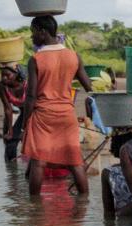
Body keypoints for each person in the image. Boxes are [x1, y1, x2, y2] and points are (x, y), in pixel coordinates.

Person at [21, 15, 94, 196]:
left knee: (39, 161)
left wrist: (25, 122)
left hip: (43, 115)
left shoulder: (36, 59)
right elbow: (89, 86)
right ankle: (84, 201)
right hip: (66, 115)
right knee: (75, 160)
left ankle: (35, 208)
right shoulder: (73, 56)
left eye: (33, 32)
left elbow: (31, 95)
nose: (32, 37)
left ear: (43, 32)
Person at [0, 64, 28, 161]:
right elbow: (7, 109)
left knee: (30, 140)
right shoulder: (2, 86)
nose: (4, 78)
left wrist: (24, 129)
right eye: (2, 75)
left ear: (17, 74)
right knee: (10, 142)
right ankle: (11, 171)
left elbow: (33, 106)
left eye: (7, 75)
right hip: (23, 113)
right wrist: (10, 132)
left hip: (36, 112)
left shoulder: (28, 84)